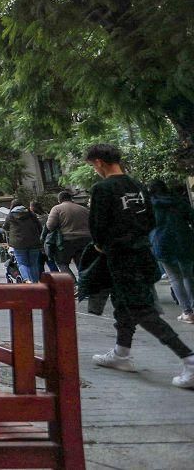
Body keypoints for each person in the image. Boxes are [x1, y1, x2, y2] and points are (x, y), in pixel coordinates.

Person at [84, 144, 194, 389]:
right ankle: (121, 352)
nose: (94, 170)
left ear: (99, 162)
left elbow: (97, 227)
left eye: (93, 166)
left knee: (142, 310)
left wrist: (102, 245)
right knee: (124, 305)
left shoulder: (102, 189)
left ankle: (189, 359)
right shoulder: (138, 186)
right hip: (143, 254)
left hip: (121, 257)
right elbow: (150, 220)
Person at [147, 180, 194, 324]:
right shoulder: (178, 201)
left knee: (174, 278)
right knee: (188, 275)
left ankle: (187, 312)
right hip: (184, 241)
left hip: (161, 243)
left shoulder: (150, 205)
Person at [45, 191, 91, 281]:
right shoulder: (83, 209)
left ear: (59, 200)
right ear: (71, 198)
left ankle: (73, 284)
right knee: (82, 264)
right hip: (85, 240)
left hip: (66, 241)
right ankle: (85, 284)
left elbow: (50, 226)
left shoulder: (57, 209)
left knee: (62, 263)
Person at [4, 200, 43, 283]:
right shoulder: (31, 214)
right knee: (34, 264)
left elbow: (5, 227)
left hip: (18, 244)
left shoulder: (10, 215)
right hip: (34, 242)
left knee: (22, 263)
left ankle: (27, 280)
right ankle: (35, 283)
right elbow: (39, 227)